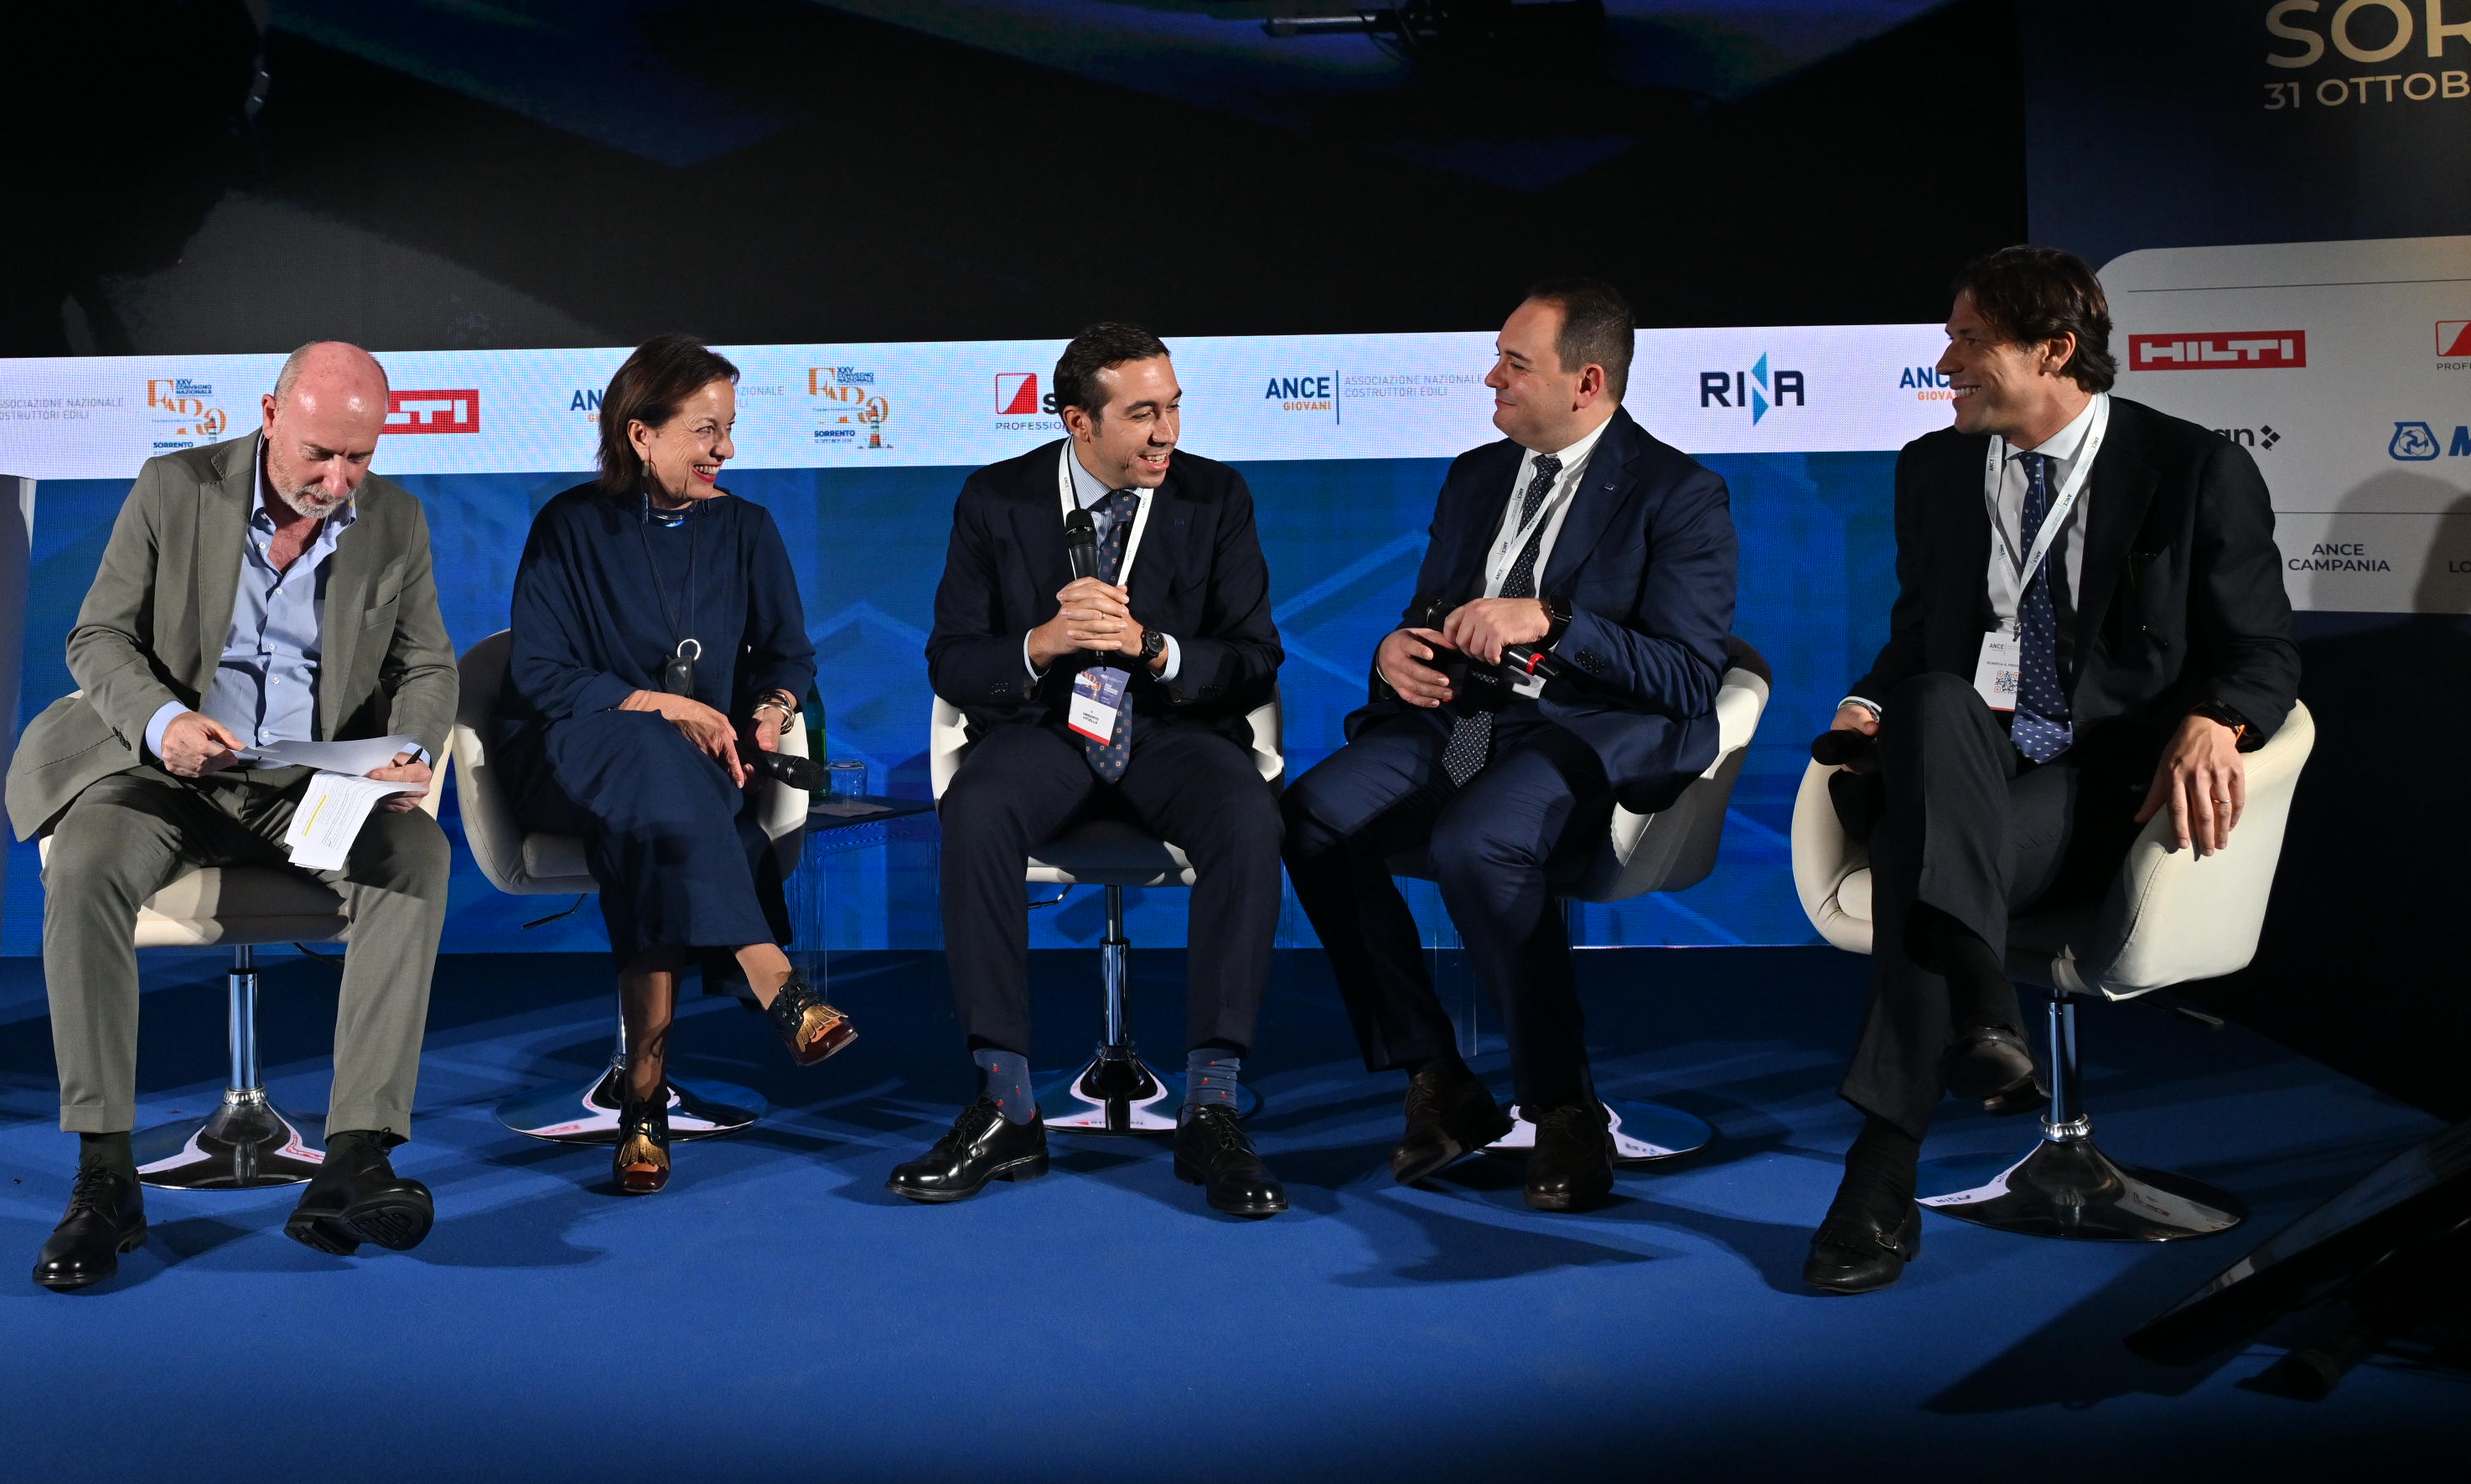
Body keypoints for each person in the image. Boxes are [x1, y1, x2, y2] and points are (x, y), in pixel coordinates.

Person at [1802, 249, 2298, 1294]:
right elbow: (1918, 638)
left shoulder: (2191, 468)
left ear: (2056, 350)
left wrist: (2221, 717)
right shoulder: (1933, 469)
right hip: (1965, 757)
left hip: (2099, 788)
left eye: (1970, 340)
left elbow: (2262, 651)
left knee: (1923, 859)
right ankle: (1983, 1008)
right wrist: (1870, 700)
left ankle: (1880, 1177)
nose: (1946, 364)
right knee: (1931, 699)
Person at [1282, 282, 1737, 1213]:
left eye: (1515, 363)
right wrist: (1395, 651)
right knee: (1310, 819)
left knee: (1476, 839)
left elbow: (1691, 675)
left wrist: (1555, 622)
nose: (1491, 377)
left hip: (1580, 731)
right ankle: (1437, 1077)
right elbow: (1430, 611)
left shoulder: (1679, 494)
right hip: (1464, 722)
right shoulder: (1476, 475)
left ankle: (1563, 1104)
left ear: (1587, 381)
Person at [9, 342, 457, 1290]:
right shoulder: (174, 488)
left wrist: (413, 747)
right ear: (270, 416)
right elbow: (97, 636)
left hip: (309, 786)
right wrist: (162, 722)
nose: (338, 480)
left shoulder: (396, 520)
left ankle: (355, 1160)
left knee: (415, 856)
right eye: (319, 454)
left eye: (360, 457)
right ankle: (105, 1176)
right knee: (84, 861)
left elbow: (425, 664)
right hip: (170, 777)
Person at [894, 323, 1290, 1217]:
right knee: (977, 809)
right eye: (1142, 414)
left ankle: (1212, 1108)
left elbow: (1255, 657)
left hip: (1173, 732)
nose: (1166, 433)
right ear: (1079, 420)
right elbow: (952, 659)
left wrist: (1155, 648)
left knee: (1248, 816)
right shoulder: (996, 499)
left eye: (1174, 408)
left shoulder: (1216, 495)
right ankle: (1007, 1107)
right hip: (1045, 730)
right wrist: (1042, 642)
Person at [498, 336, 857, 1197]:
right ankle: (774, 977)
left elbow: (789, 655)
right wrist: (663, 706)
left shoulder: (747, 528)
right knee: (653, 755)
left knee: (653, 833)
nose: (724, 449)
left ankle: (643, 1109)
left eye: (728, 428)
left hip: (691, 781)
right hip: (572, 756)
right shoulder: (569, 525)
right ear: (641, 434)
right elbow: (541, 674)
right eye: (705, 430)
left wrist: (770, 709)